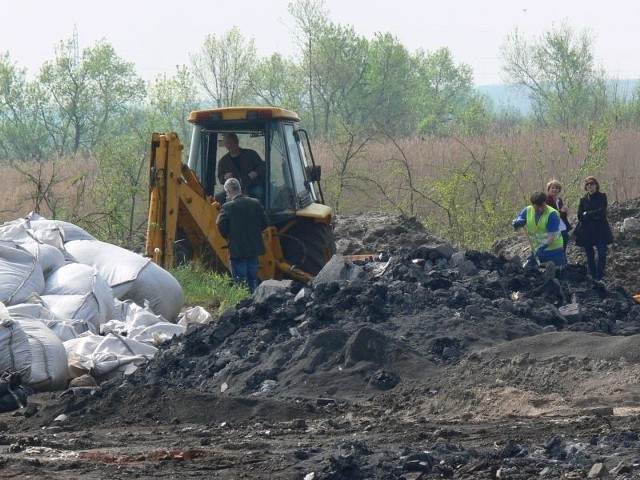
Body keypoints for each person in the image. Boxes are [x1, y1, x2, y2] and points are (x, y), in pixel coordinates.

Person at [216, 178, 270, 293]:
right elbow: (265, 223)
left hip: (238, 250)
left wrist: (229, 236)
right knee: (253, 279)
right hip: (254, 249)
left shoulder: (227, 207)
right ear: (240, 189)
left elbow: (220, 225)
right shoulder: (255, 203)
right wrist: (255, 233)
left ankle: (242, 304)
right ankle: (253, 303)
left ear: (229, 191)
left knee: (240, 282)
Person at [512, 191, 567, 267]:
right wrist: (516, 223)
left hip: (554, 251)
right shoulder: (527, 211)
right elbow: (517, 225)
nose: (541, 209)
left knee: (558, 274)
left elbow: (551, 237)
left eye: (543, 206)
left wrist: (541, 248)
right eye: (537, 207)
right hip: (537, 250)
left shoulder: (552, 214)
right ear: (532, 205)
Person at [574, 176, 613, 281]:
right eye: (588, 185)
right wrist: (592, 214)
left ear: (596, 185)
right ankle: (594, 277)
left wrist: (588, 213)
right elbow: (580, 216)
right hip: (587, 231)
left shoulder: (602, 196)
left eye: (592, 184)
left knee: (602, 253)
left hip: (600, 230)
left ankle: (600, 274)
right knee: (590, 255)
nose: (590, 187)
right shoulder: (583, 200)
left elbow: (602, 211)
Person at [217, 133, 265, 205]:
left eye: (231, 142)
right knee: (219, 197)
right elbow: (220, 177)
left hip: (251, 185)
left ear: (237, 142)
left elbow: (262, 166)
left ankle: (258, 213)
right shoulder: (223, 161)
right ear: (225, 145)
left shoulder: (250, 154)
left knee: (259, 192)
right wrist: (225, 177)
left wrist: (256, 173)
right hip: (232, 189)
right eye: (227, 143)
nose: (230, 145)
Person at [545, 179, 572, 251]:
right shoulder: (546, 201)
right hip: (554, 229)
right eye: (552, 188)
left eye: (556, 188)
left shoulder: (559, 200)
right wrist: (561, 211)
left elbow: (563, 215)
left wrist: (564, 211)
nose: (554, 190)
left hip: (563, 227)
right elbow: (550, 215)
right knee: (557, 248)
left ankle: (563, 260)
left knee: (564, 246)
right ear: (549, 189)